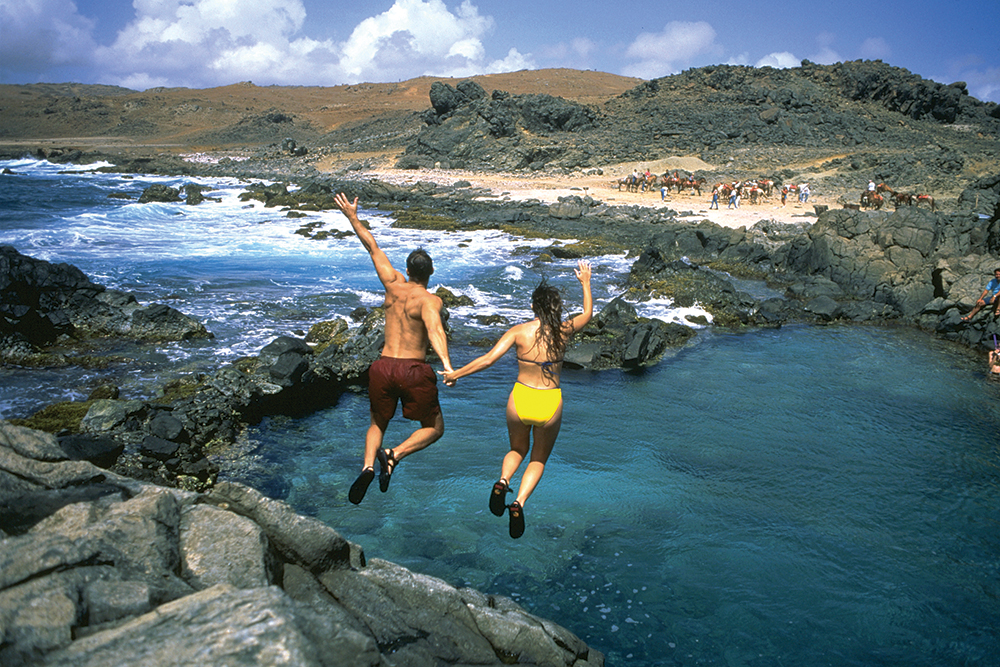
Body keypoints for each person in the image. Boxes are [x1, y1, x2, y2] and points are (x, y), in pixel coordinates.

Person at [441, 261, 593, 539]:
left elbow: (488, 360)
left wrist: (456, 374)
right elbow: (588, 313)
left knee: (517, 450)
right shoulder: (564, 330)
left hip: (520, 398)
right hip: (550, 402)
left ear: (534, 307)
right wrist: (585, 282)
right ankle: (519, 502)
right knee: (539, 458)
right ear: (556, 309)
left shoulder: (518, 331)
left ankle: (503, 481)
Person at [333, 193, 454, 504]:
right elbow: (435, 330)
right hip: (413, 369)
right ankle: (393, 454)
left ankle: (368, 466)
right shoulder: (430, 300)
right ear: (430, 274)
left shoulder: (391, 285)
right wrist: (447, 365)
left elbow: (372, 246)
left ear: (407, 270)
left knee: (377, 423)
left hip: (383, 366)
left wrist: (352, 216)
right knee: (435, 428)